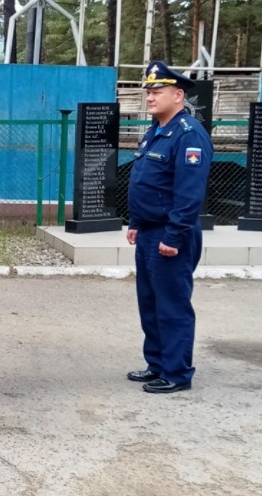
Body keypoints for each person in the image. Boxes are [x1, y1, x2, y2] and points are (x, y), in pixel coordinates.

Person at [125, 60, 212, 394]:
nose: (149, 96)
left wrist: (175, 235)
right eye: (148, 91)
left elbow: (188, 194)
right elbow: (146, 182)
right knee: (150, 301)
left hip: (171, 233)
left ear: (178, 95)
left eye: (157, 91)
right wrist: (136, 223)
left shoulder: (189, 135)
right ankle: (157, 364)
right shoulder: (156, 131)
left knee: (172, 304)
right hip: (149, 231)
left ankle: (176, 373)